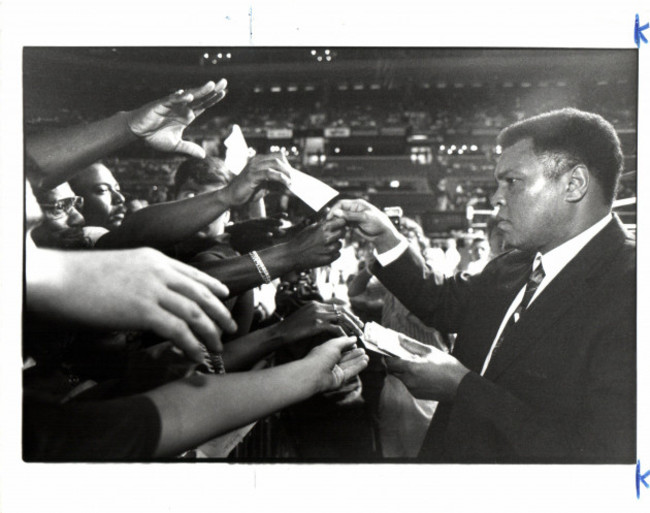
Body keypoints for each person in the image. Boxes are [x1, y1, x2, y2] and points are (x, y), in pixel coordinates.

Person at [329, 108, 635, 463]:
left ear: (574, 184)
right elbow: (440, 302)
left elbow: (599, 456)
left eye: (512, 182)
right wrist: (386, 237)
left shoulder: (631, 286)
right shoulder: (513, 264)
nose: (495, 198)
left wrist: (462, 388)